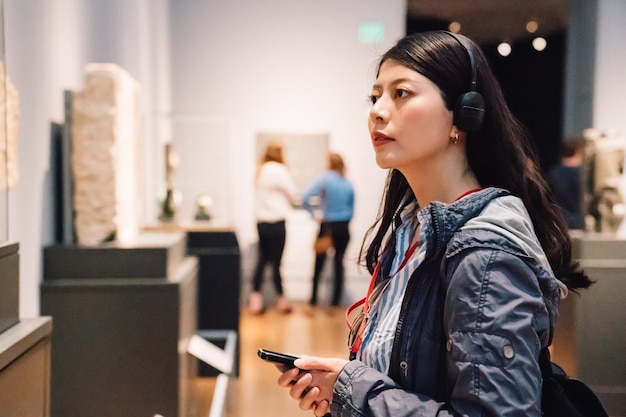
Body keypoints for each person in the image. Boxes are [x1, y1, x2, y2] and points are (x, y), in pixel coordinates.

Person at [274, 30, 592, 416]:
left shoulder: (485, 252)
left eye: (401, 93)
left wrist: (353, 391)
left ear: (464, 114)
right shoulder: (411, 227)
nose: (377, 110)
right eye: (375, 97)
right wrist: (340, 390)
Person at [249, 141, 300, 314]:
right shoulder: (280, 170)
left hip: (261, 222)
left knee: (262, 260)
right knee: (277, 262)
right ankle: (282, 301)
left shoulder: (260, 170)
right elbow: (293, 194)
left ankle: (255, 300)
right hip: (277, 222)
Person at [302, 152, 355, 315]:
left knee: (319, 265)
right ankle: (334, 304)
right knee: (339, 264)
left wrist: (314, 214)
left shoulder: (325, 178)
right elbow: (352, 208)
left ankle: (312, 304)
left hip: (327, 227)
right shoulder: (347, 183)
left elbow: (305, 197)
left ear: (329, 163)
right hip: (344, 227)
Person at [547, 137, 585, 229]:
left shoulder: (554, 172)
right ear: (577, 151)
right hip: (578, 220)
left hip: (558, 218)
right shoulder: (581, 174)